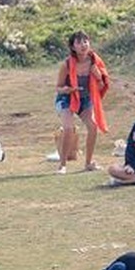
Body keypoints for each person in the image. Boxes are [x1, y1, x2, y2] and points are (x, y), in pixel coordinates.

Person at [54, 31, 110, 174]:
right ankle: (62, 165)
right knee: (68, 128)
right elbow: (58, 88)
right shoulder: (66, 64)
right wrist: (67, 89)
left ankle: (88, 163)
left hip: (85, 99)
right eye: (79, 42)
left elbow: (103, 87)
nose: (83, 45)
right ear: (73, 47)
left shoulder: (95, 62)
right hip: (67, 98)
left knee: (92, 127)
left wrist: (98, 77)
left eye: (85, 41)